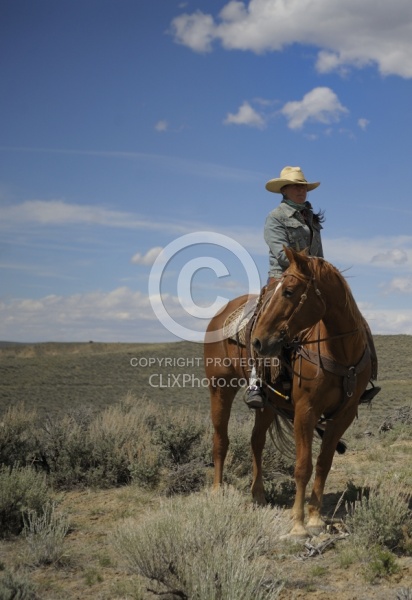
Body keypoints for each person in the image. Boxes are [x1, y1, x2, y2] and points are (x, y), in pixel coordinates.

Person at [246, 166, 380, 409]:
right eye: (296, 186)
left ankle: (362, 379)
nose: (301, 190)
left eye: (304, 186)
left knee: (354, 318)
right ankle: (256, 381)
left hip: (312, 279)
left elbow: (318, 255)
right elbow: (281, 253)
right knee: (262, 317)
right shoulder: (275, 217)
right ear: (284, 190)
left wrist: (323, 275)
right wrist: (306, 268)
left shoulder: (310, 217)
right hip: (283, 277)